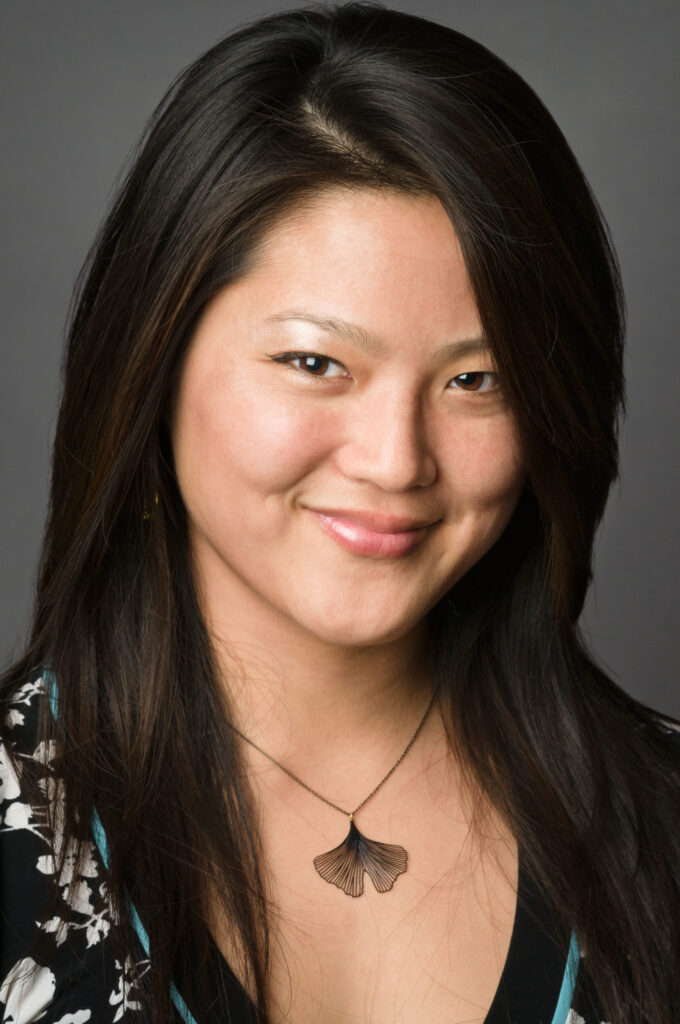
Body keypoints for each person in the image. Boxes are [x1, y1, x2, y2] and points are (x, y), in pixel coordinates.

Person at [1, 2, 679, 1021]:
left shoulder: (661, 817)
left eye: (478, 379)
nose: (395, 459)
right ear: (152, 362)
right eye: (315, 362)